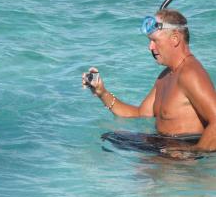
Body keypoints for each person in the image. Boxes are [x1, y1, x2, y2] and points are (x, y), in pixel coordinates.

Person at [83, 8, 216, 157]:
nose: (150, 47)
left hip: (183, 153)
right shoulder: (165, 76)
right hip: (164, 146)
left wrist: (192, 153)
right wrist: (102, 92)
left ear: (175, 39)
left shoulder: (190, 73)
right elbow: (140, 114)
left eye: (155, 41)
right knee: (110, 138)